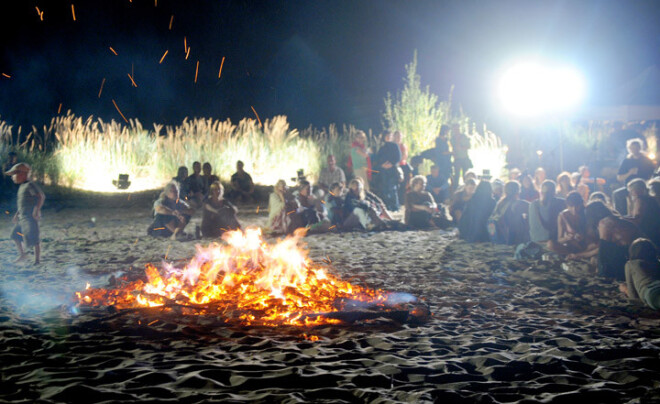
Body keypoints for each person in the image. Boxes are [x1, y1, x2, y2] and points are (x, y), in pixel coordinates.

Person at [6, 163, 44, 264]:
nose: (13, 177)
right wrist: (17, 214)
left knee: (34, 238)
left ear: (22, 174)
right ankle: (23, 255)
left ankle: (37, 260)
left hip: (30, 217)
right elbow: (24, 202)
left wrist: (36, 210)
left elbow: (40, 196)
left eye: (14, 174)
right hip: (22, 217)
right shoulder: (22, 186)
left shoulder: (29, 185)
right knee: (15, 235)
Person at [613, 138, 656, 215]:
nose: (634, 150)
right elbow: (619, 177)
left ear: (640, 148)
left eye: (636, 147)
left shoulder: (646, 160)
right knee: (617, 194)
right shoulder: (626, 161)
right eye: (632, 148)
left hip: (643, 187)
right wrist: (629, 173)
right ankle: (621, 217)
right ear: (629, 149)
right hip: (629, 187)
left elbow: (652, 175)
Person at [620, 238, 660, 310]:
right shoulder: (657, 263)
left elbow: (633, 296)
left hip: (651, 292)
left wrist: (625, 289)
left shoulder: (631, 264)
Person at [548, 191, 590, 255]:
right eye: (571, 206)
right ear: (567, 205)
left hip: (587, 245)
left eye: (577, 206)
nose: (574, 209)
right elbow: (559, 239)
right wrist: (567, 238)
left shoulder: (586, 213)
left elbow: (593, 236)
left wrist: (583, 236)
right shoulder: (563, 215)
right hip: (571, 246)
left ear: (581, 204)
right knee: (550, 244)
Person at [488, 181, 530, 245]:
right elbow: (532, 210)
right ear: (518, 191)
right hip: (514, 237)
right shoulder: (521, 204)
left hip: (501, 236)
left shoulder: (500, 203)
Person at [528, 180, 566, 245]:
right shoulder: (561, 203)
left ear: (541, 191)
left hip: (535, 241)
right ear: (554, 191)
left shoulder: (533, 204)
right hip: (553, 242)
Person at [626, 178, 660, 247]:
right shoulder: (651, 198)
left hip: (649, 232)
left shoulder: (641, 200)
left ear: (638, 189)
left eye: (631, 190)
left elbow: (637, 219)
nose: (630, 193)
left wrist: (620, 220)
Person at [373, 132, 402, 211]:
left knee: (392, 188)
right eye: (387, 136)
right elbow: (378, 158)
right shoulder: (382, 147)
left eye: (390, 136)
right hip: (384, 171)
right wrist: (382, 165)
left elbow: (398, 157)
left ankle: (395, 206)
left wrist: (391, 164)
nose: (388, 137)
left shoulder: (395, 146)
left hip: (392, 170)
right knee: (385, 188)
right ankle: (387, 206)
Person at [450, 123, 472, 189]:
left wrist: (461, 147)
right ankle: (456, 189)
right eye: (454, 129)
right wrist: (454, 155)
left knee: (465, 174)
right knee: (456, 175)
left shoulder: (464, 137)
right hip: (457, 158)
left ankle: (466, 187)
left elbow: (469, 146)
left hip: (464, 158)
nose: (456, 130)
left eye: (457, 128)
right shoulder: (452, 138)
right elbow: (453, 148)